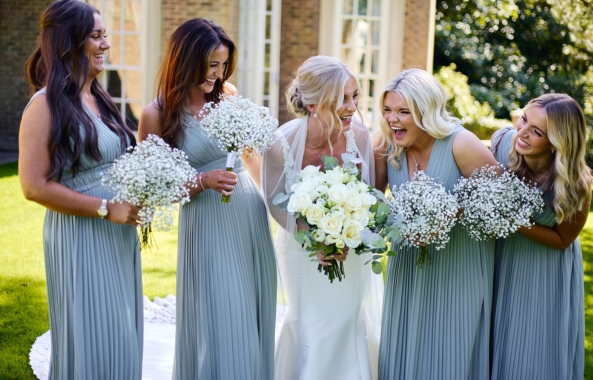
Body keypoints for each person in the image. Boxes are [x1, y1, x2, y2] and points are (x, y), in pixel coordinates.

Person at [138, 18, 276, 380]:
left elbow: (250, 156)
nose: (217, 74)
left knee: (250, 305)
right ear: (185, 60)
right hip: (206, 222)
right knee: (222, 308)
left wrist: (278, 204)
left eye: (223, 65)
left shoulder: (226, 95)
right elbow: (154, 189)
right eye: (210, 65)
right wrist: (202, 180)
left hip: (247, 212)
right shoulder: (156, 115)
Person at [19, 1, 143, 378]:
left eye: (105, 35)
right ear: (68, 43)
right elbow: (33, 186)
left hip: (117, 235)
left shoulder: (100, 99)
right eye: (96, 35)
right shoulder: (44, 106)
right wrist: (105, 208)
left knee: (122, 337)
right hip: (81, 235)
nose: (106, 44)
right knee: (94, 338)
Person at [262, 55, 383, 380]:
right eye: (342, 99)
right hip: (300, 251)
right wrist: (314, 240)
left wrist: (345, 236)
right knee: (309, 320)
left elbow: (365, 193)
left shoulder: (358, 134)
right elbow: (275, 202)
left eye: (355, 96)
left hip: (350, 250)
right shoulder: (280, 145)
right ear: (314, 104)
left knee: (346, 318)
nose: (352, 106)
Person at [374, 68, 498, 379]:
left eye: (404, 111)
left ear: (426, 111)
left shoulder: (461, 143)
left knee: (450, 352)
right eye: (388, 110)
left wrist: (452, 213)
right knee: (405, 350)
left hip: (459, 267)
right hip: (409, 269)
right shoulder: (387, 147)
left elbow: (500, 203)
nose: (392, 119)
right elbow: (372, 202)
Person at [490, 94, 591, 380]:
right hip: (502, 259)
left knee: (534, 350)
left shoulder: (576, 183)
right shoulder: (500, 144)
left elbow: (563, 240)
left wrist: (514, 221)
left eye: (536, 131)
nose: (521, 133)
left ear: (558, 142)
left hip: (545, 271)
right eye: (524, 119)